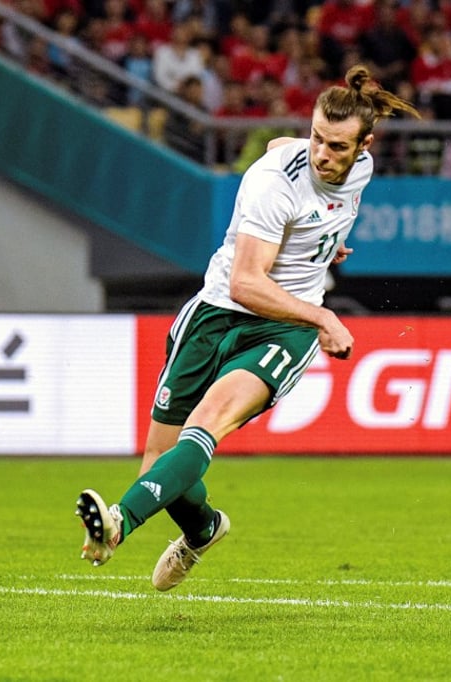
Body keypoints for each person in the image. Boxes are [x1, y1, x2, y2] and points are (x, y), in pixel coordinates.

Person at [75, 65, 419, 591]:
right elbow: (245, 284)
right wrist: (326, 314)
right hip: (219, 311)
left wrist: (320, 247)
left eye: (337, 146)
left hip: (282, 328)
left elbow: (307, 179)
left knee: (208, 421)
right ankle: (204, 529)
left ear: (364, 145)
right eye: (316, 140)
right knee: (160, 463)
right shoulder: (273, 187)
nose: (323, 155)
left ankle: (118, 522)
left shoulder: (362, 167)